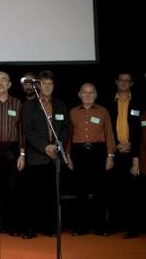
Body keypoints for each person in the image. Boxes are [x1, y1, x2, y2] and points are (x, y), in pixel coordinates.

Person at [21, 70, 69, 239]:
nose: (47, 87)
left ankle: (50, 228)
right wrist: (45, 147)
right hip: (37, 157)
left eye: (50, 84)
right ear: (39, 85)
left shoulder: (61, 105)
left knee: (52, 196)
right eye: (44, 84)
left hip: (55, 157)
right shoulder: (29, 105)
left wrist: (56, 145)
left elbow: (65, 129)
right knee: (33, 196)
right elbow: (29, 131)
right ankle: (31, 229)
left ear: (54, 86)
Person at [66, 83, 116, 236]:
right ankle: (81, 227)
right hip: (78, 153)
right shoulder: (72, 112)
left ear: (95, 95)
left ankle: (100, 227)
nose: (87, 95)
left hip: (99, 152)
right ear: (79, 94)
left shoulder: (103, 111)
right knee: (80, 192)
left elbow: (109, 134)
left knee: (100, 191)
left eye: (91, 92)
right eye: (85, 92)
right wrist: (67, 155)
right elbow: (68, 136)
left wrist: (110, 156)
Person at [0, 71, 25, 237]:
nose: (0, 83)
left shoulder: (18, 104)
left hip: (12, 151)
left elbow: (22, 130)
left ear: (10, 84)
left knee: (12, 189)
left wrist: (22, 154)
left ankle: (12, 225)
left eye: (4, 79)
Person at [107, 72, 142, 239]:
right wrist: (115, 147)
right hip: (114, 151)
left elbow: (139, 131)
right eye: (121, 80)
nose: (124, 83)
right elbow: (105, 128)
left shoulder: (139, 103)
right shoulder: (109, 102)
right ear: (116, 82)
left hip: (132, 152)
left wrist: (135, 155)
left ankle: (134, 228)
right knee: (114, 190)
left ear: (132, 84)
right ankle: (114, 224)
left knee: (133, 193)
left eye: (128, 81)